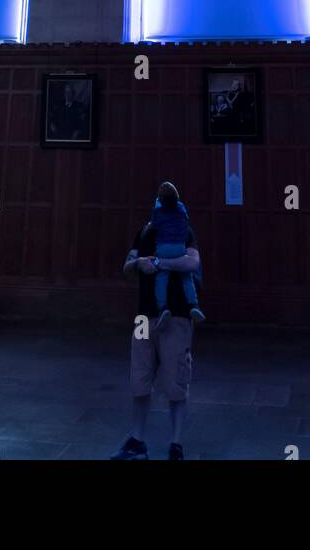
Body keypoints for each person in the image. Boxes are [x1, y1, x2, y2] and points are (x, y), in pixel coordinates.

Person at [110, 184, 202, 462]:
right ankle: (137, 440)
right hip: (144, 316)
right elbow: (127, 265)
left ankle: (176, 444)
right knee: (140, 379)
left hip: (176, 316)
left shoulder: (184, 229)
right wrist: (140, 264)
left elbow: (193, 262)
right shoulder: (146, 231)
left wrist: (161, 263)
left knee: (176, 383)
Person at [149, 181, 204, 329]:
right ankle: (194, 304)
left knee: (161, 277)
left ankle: (163, 308)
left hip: (163, 247)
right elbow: (185, 219)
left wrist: (158, 205)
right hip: (179, 246)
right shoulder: (181, 209)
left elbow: (154, 224)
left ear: (160, 199)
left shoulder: (157, 212)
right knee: (186, 276)